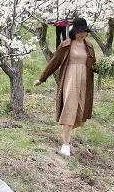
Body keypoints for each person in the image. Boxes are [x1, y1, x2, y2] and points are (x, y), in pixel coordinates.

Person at [34, 17, 97, 157]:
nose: (82, 34)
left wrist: (101, 68)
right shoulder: (66, 45)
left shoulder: (90, 46)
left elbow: (93, 64)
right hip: (70, 79)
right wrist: (42, 78)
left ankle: (68, 138)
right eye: (79, 32)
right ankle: (65, 143)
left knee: (79, 109)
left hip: (84, 80)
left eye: (84, 32)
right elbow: (54, 62)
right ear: (74, 31)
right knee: (69, 106)